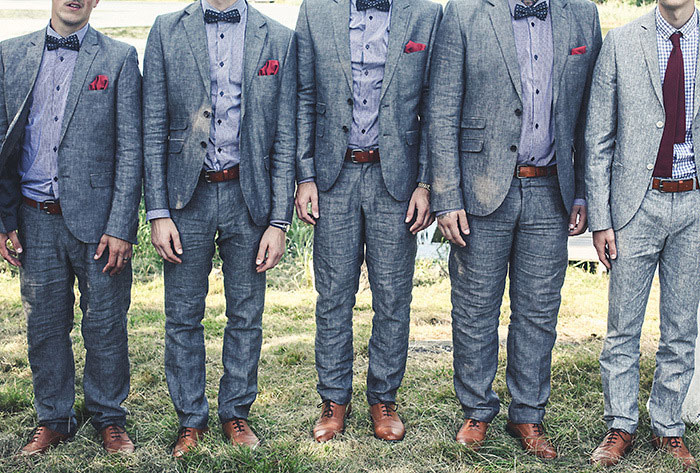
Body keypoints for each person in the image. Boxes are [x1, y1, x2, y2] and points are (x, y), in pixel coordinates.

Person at [428, 0, 601, 458]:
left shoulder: (582, 14)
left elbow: (589, 113)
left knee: (539, 311)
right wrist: (446, 195)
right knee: (474, 308)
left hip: (551, 191)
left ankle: (528, 415)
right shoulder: (463, 13)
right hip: (480, 188)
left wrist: (581, 191)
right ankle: (476, 410)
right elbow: (442, 107)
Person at [142, 0, 296, 457]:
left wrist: (279, 221)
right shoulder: (167, 30)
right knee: (183, 315)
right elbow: (152, 127)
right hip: (185, 199)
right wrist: (158, 212)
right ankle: (190, 420)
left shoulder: (279, 38)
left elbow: (285, 135)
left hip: (249, 197)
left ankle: (236, 412)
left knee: (246, 314)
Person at [295, 0, 442, 442]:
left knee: (393, 296)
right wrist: (304, 174)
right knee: (333, 295)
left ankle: (383, 398)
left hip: (395, 180)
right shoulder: (315, 11)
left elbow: (437, 103)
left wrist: (426, 183)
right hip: (332, 177)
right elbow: (303, 96)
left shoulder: (425, 14)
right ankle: (334, 399)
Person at [0, 0, 142, 455]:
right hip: (34, 218)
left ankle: (109, 417)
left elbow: (131, 149)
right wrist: (4, 220)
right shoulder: (11, 54)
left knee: (105, 325)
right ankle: (54, 417)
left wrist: (122, 225)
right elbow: (3, 141)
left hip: (99, 226)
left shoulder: (118, 59)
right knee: (44, 324)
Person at [586, 0, 700, 468]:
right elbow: (598, 136)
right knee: (622, 327)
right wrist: (601, 218)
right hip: (636, 204)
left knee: (681, 327)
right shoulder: (620, 42)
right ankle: (620, 425)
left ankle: (669, 427)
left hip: (693, 203)